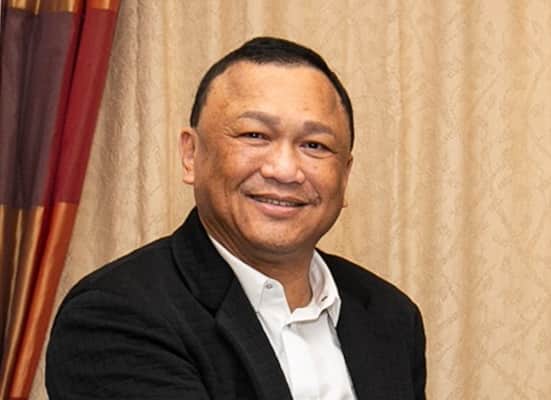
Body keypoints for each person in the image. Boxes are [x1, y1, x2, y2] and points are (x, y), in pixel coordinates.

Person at [46, 37, 426, 400]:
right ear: (191, 155)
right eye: (255, 135)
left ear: (344, 176)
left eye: (315, 145)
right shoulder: (116, 315)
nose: (284, 170)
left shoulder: (390, 316)